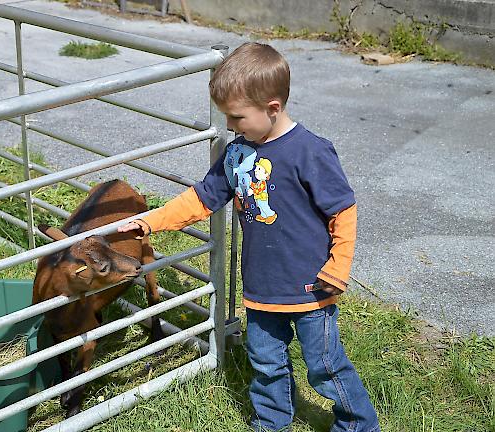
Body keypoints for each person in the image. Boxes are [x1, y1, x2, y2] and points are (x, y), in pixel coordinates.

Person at [118, 42, 380, 432]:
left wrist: (339, 267)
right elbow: (203, 197)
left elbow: (343, 210)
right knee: (265, 361)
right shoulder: (238, 153)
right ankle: (272, 422)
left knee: (325, 365)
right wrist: (152, 221)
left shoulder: (311, 151)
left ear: (272, 108)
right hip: (260, 287)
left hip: (312, 286)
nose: (229, 126)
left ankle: (359, 425)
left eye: (236, 117)